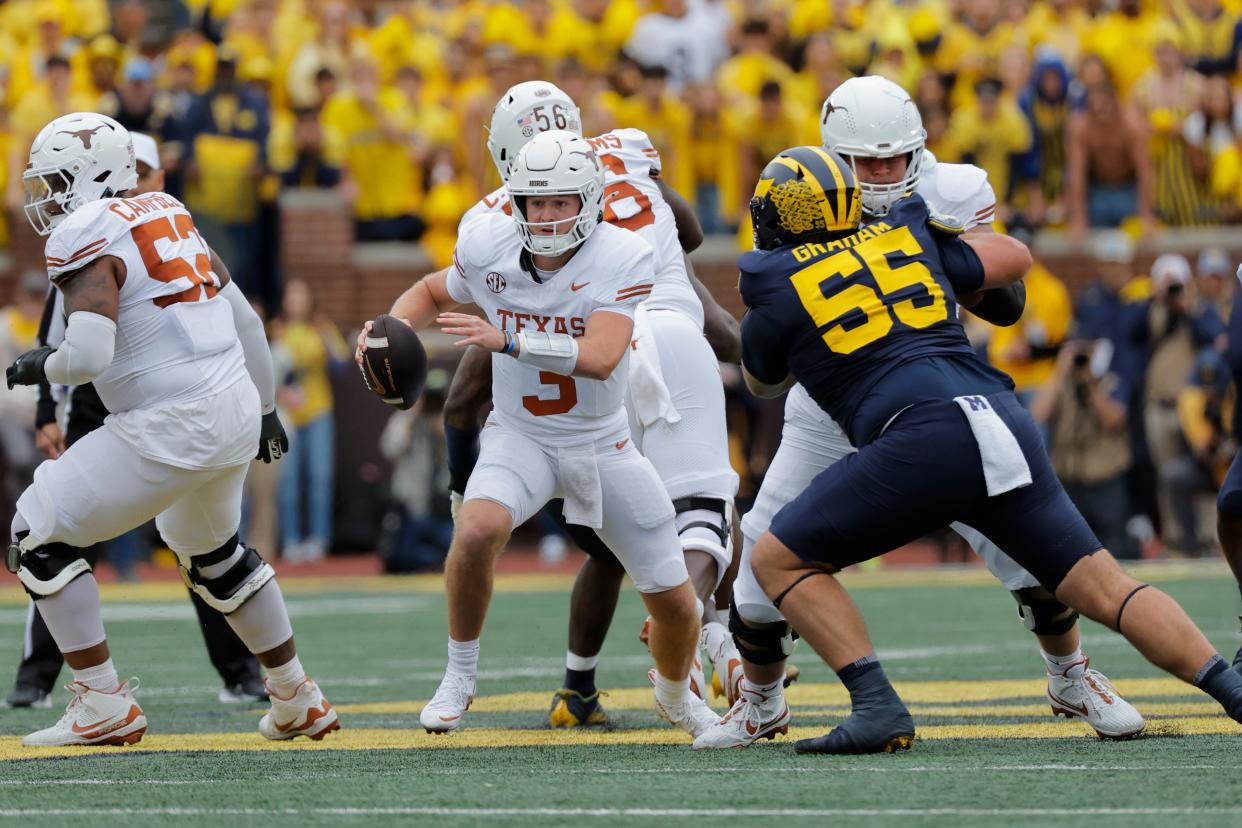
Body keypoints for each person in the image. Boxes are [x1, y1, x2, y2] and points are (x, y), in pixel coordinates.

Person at [732, 143, 1242, 756]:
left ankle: (876, 705)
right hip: (999, 417)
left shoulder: (773, 283)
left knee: (777, 558)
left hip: (916, 438)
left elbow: (762, 380)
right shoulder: (907, 232)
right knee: (1108, 588)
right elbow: (1010, 262)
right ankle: (1232, 689)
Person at [695, 76, 1143, 750]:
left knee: (1025, 553)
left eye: (896, 158)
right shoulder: (798, 187)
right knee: (763, 558)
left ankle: (1071, 674)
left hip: (932, 394)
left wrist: (939, 245)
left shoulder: (946, 191)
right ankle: (760, 702)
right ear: (834, 155)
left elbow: (1009, 302)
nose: (883, 173)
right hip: (831, 401)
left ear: (918, 152)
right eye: (865, 161)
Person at [356, 129, 718, 739]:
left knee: (677, 603)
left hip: (603, 443)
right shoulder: (491, 245)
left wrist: (512, 340)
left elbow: (602, 356)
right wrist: (387, 328)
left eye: (560, 202)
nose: (545, 216)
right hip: (520, 434)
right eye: (534, 202)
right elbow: (427, 290)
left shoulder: (623, 252)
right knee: (476, 530)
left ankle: (679, 695)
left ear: (590, 201)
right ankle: (459, 676)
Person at [4, 112, 337, 746]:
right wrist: (265, 409)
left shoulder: (85, 233)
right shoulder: (167, 211)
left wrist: (40, 362)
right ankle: (297, 695)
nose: (44, 198)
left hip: (171, 420)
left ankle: (101, 701)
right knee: (215, 554)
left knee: (35, 529)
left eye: (52, 182)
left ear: (87, 175)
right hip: (233, 405)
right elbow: (244, 321)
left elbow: (90, 355)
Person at [438, 81, 747, 726]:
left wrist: (459, 479)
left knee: (624, 541)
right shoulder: (627, 159)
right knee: (707, 507)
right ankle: (715, 640)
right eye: (539, 200)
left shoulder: (499, 221)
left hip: (596, 369)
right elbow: (686, 241)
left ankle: (622, 672)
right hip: (658, 338)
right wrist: (755, 361)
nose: (546, 209)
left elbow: (466, 390)